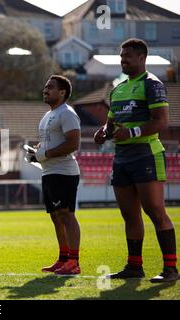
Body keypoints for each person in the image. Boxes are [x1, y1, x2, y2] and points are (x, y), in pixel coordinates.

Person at [94, 38, 178, 282]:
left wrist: (131, 132)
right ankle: (134, 267)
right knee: (129, 215)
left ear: (142, 58)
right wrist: (102, 133)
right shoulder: (118, 89)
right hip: (122, 157)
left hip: (146, 154)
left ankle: (171, 270)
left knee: (155, 210)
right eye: (121, 56)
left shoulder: (152, 84)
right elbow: (110, 124)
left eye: (127, 56)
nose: (123, 60)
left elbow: (161, 121)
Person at [25, 75, 82, 275]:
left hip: (64, 172)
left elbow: (73, 144)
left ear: (62, 92)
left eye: (50, 87)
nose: (45, 90)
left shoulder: (66, 113)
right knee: (56, 217)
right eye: (45, 86)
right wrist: (36, 153)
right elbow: (47, 145)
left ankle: (74, 262)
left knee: (66, 215)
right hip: (49, 171)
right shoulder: (47, 116)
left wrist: (46, 153)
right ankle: (63, 258)